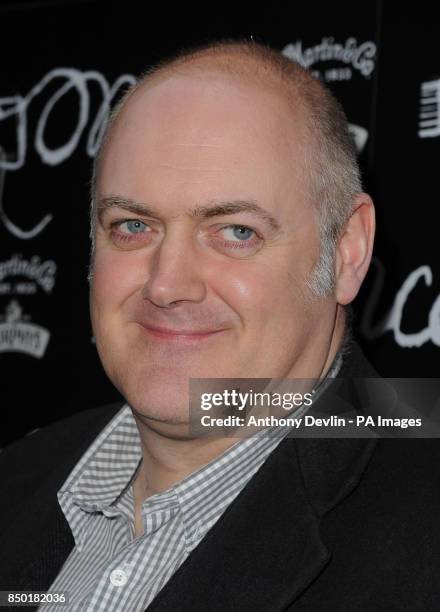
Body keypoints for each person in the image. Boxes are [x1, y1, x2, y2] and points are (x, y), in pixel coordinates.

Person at [1, 40, 439, 612]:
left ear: (348, 251)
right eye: (133, 225)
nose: (166, 284)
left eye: (235, 232)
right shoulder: (16, 479)